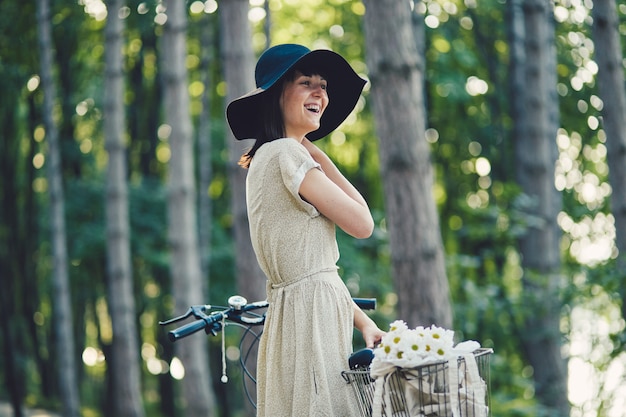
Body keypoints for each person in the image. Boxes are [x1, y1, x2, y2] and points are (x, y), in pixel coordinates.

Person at [226, 43, 385, 417]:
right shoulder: (286, 155)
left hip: (299, 314)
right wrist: (319, 156)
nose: (320, 93)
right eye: (306, 83)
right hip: (311, 319)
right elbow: (362, 224)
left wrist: (363, 322)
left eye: (324, 85)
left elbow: (311, 266)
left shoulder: (269, 156)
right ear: (278, 94)